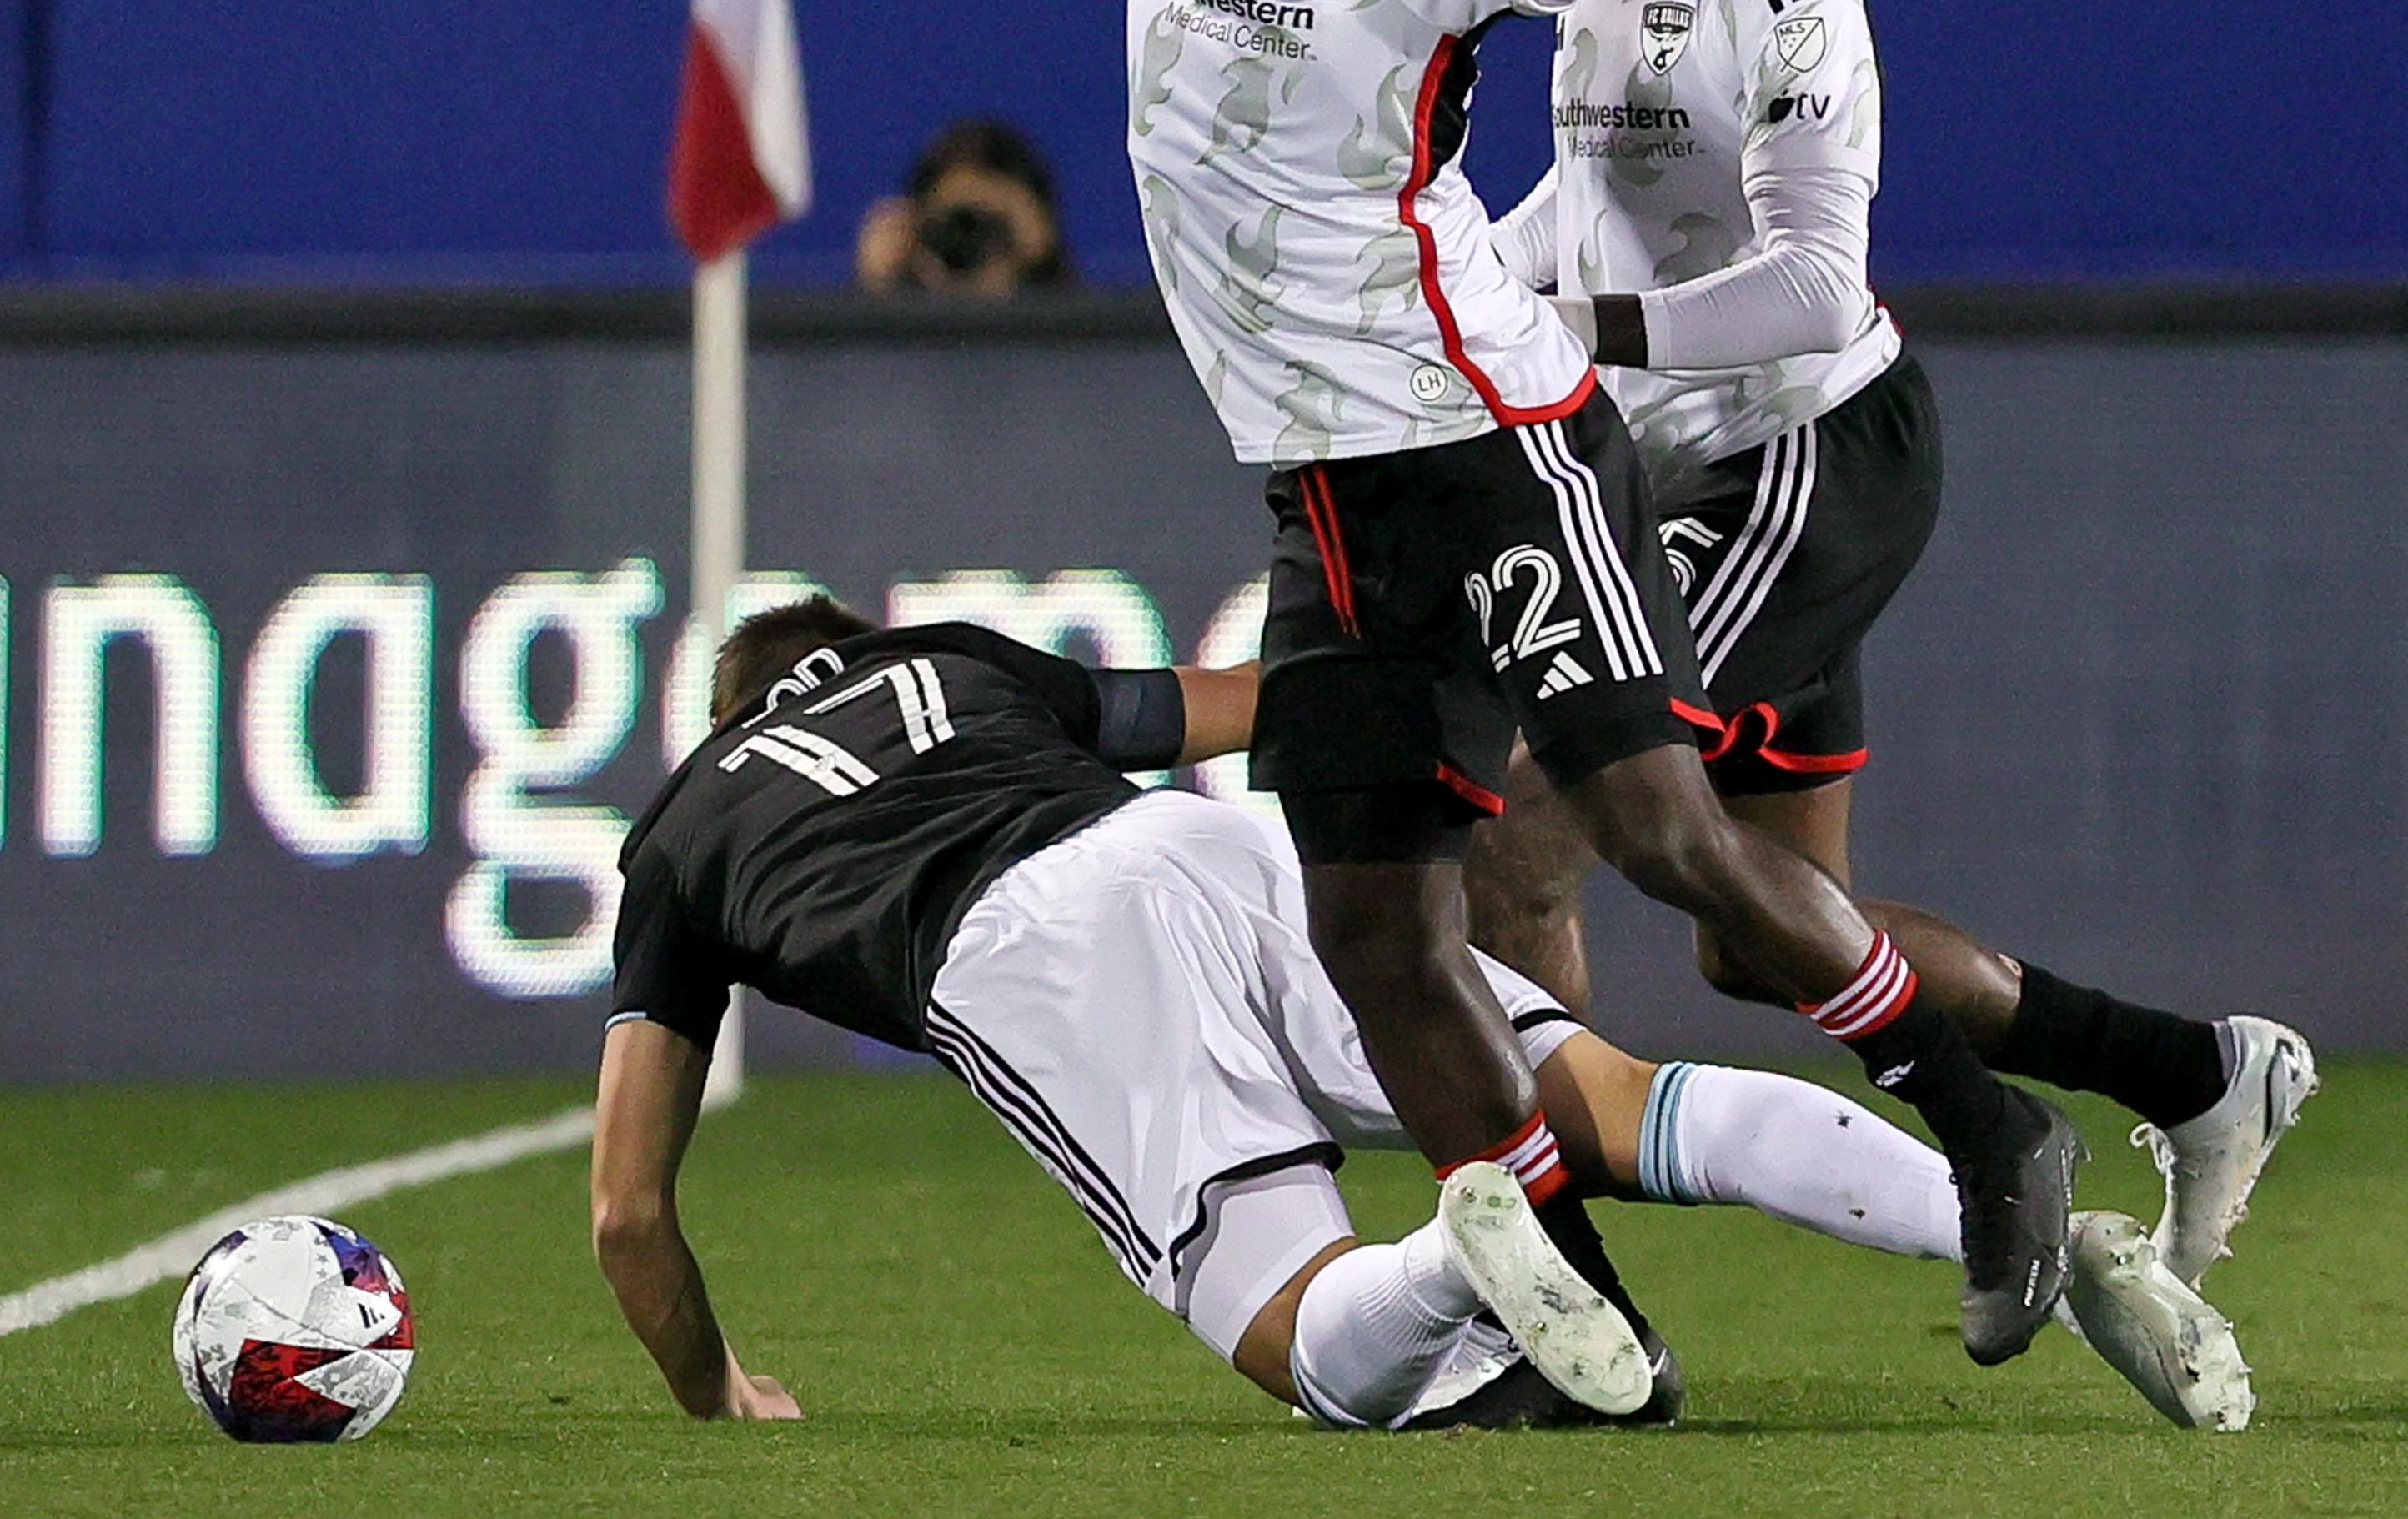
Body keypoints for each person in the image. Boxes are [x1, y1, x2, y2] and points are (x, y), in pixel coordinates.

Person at [1043, 0, 2078, 1370]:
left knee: (1670, 841)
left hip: (1496, 452)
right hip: (1325, 504)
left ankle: (1987, 1123)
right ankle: (1574, 1329)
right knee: (1371, 938)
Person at [1473, 0, 2315, 1290]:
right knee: (1758, 938)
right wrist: (1459, 281)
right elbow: (1597, 203)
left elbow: (1810, 282)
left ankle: (1547, 1277)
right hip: (1670, 456)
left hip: (1801, 452)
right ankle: (2197, 1070)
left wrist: (1577, 334)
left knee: (1521, 826)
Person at [591, 597, 2254, 1431]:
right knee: (1626, 1099)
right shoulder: (948, 660)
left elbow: (628, 1209)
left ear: (731, 707)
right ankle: (2031, 1209)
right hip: (1211, 839)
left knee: (1307, 1338)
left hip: (1035, 953)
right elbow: (1237, 705)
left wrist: (714, 1386)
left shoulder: (678, 835)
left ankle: (1468, 1247)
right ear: (850, 654)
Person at [854, 116, 1075, 296]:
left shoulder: (1085, 344)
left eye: (990, 224)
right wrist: (876, 288)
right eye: (954, 223)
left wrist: (1047, 267)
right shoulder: (883, 343)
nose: (967, 241)